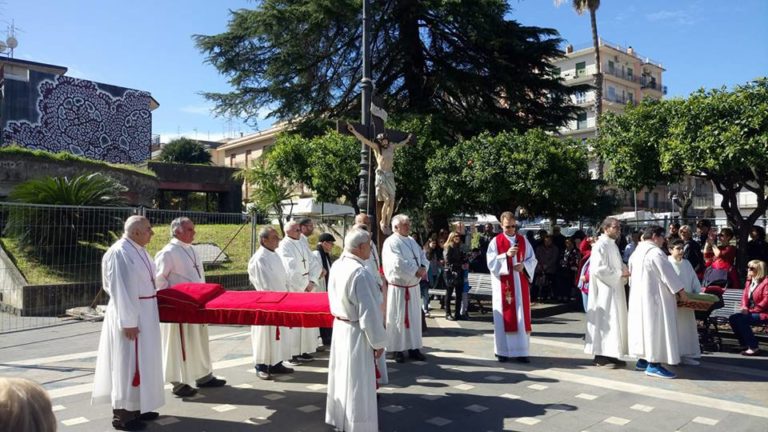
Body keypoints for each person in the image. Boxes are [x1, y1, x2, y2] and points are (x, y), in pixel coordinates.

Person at [92, 216, 164, 431]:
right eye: (149, 229)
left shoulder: (139, 249)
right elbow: (121, 290)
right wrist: (129, 322)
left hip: (146, 312)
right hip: (132, 315)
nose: (152, 233)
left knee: (145, 360)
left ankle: (140, 405)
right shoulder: (120, 252)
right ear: (136, 232)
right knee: (128, 363)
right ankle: (123, 414)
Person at [154, 217, 226, 398]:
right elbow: (159, 281)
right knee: (179, 345)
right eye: (189, 230)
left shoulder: (192, 249)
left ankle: (203, 376)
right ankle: (178, 383)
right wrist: (170, 303)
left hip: (196, 305)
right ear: (177, 231)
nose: (194, 233)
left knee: (198, 341)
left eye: (193, 229)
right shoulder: (167, 253)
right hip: (178, 309)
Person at [325, 229, 387, 432]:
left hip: (341, 327)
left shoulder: (337, 265)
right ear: (360, 247)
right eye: (369, 245)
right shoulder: (360, 272)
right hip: (356, 331)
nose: (371, 249)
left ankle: (341, 420)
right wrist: (378, 342)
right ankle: (358, 425)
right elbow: (368, 313)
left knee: (342, 376)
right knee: (357, 381)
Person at [628, 225, 688, 379]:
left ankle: (643, 359)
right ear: (655, 236)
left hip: (639, 299)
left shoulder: (637, 252)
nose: (664, 241)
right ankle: (654, 365)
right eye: (662, 237)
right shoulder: (655, 253)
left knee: (644, 329)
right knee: (656, 330)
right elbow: (669, 275)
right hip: (655, 300)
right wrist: (681, 293)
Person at [486, 212, 538, 363]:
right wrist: (506, 256)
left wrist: (524, 266)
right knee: (504, 317)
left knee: (521, 317)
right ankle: (502, 351)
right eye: (507, 226)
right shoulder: (495, 242)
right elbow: (491, 264)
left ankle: (522, 351)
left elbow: (532, 259)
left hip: (520, 287)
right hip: (504, 286)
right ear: (501, 225)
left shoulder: (523, 241)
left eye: (513, 226)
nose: (511, 229)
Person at [347, 123, 412, 234]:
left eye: (386, 140)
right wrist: (354, 131)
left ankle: (387, 222)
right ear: (380, 142)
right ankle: (382, 221)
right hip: (381, 176)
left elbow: (401, 144)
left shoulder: (391, 147)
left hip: (390, 175)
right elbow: (364, 140)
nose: (385, 142)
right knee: (386, 200)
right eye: (383, 141)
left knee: (392, 201)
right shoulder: (377, 148)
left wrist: (408, 139)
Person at [247, 226, 294, 380]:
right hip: (267, 303)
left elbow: (283, 277)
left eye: (277, 237)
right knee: (265, 336)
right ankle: (261, 365)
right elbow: (264, 283)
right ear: (263, 240)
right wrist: (276, 299)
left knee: (278, 335)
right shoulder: (260, 258)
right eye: (274, 237)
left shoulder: (274, 254)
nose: (278, 240)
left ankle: (276, 362)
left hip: (280, 301)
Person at [382, 214, 429, 363]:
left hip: (413, 287)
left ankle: (414, 347)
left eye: (409, 224)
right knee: (398, 319)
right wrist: (416, 270)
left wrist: (423, 268)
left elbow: (422, 256)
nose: (409, 227)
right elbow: (397, 263)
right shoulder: (391, 242)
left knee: (414, 319)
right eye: (405, 225)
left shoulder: (411, 241)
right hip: (399, 288)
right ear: (396, 227)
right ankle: (397, 349)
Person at [584, 217, 630, 368]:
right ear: (606, 228)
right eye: (615, 227)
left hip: (614, 288)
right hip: (604, 291)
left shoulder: (613, 245)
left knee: (615, 321)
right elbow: (598, 269)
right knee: (604, 321)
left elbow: (617, 263)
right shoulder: (600, 245)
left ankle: (612, 353)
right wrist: (618, 273)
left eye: (619, 227)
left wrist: (624, 269)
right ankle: (600, 355)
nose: (618, 230)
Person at [277, 220, 321, 365]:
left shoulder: (302, 242)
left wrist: (313, 280)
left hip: (308, 285)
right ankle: (291, 354)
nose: (299, 232)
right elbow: (290, 269)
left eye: (299, 229)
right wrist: (304, 285)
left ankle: (303, 350)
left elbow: (313, 262)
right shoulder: (284, 246)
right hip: (295, 288)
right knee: (294, 324)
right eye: (296, 230)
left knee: (305, 321)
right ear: (287, 231)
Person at [353, 214, 388, 386]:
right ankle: (370, 382)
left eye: (368, 223)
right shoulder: (354, 260)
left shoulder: (371, 244)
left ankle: (377, 378)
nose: (366, 226)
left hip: (375, 290)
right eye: (362, 223)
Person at [667, 239, 703, 365]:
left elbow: (694, 280)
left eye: (682, 248)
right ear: (670, 250)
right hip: (672, 303)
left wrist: (699, 295)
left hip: (687, 303)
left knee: (687, 329)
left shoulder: (687, 263)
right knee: (674, 329)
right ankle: (673, 356)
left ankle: (687, 354)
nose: (681, 251)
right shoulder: (666, 263)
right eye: (678, 248)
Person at [728, 260, 768, 356]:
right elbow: (745, 296)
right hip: (752, 312)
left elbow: (766, 302)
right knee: (733, 318)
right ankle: (744, 344)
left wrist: (750, 311)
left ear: (760, 270)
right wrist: (744, 307)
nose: (748, 270)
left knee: (742, 320)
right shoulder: (749, 281)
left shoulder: (766, 282)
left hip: (763, 313)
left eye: (751, 268)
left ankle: (754, 347)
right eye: (748, 267)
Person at [314, 233, 336, 346]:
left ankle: (327, 336)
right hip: (320, 289)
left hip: (325, 288)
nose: (332, 246)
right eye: (331, 244)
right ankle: (324, 337)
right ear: (324, 243)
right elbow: (316, 270)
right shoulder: (317, 254)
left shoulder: (324, 254)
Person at [443, 232, 466, 320]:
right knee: (449, 293)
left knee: (459, 294)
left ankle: (457, 313)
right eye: (455, 236)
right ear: (451, 237)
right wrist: (455, 266)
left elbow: (461, 258)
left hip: (459, 271)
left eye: (458, 236)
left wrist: (464, 259)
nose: (457, 237)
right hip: (450, 272)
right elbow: (447, 260)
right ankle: (447, 313)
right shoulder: (448, 246)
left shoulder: (459, 247)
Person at [534, 234, 559, 302]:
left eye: (548, 241)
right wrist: (540, 265)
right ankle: (536, 297)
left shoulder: (555, 248)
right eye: (545, 241)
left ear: (551, 241)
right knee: (538, 284)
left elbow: (554, 259)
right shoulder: (539, 248)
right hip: (540, 268)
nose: (547, 242)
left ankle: (547, 297)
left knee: (549, 284)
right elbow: (536, 257)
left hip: (550, 269)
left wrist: (547, 265)